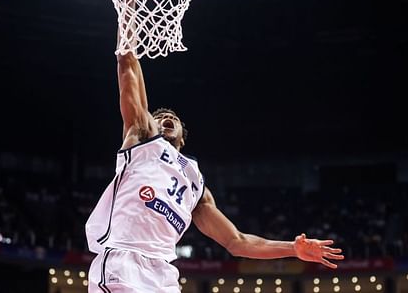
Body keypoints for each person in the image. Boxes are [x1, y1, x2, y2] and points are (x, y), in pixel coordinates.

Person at [85, 35, 344, 293]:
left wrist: (292, 249)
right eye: (160, 116)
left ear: (182, 139)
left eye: (172, 117)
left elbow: (237, 241)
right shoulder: (142, 141)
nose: (166, 118)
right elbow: (128, 67)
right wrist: (128, 11)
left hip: (162, 272)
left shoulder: (196, 185)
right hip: (124, 259)